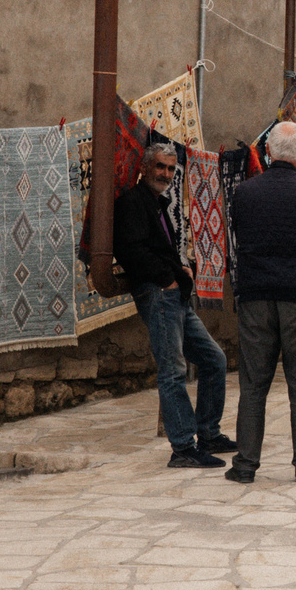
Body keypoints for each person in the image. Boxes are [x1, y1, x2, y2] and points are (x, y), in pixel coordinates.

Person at [223, 121, 296, 484]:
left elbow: (239, 232)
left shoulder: (245, 192)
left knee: (253, 384)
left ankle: (244, 465)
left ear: (268, 152)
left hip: (256, 295)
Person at [117, 137, 232, 468]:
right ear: (145, 167)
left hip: (173, 293)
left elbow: (157, 248)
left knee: (213, 360)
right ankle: (183, 447)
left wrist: (179, 269)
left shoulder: (157, 202)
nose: (166, 174)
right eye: (160, 166)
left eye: (170, 168)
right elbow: (131, 250)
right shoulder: (133, 203)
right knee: (173, 369)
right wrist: (166, 278)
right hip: (160, 293)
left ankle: (208, 433)